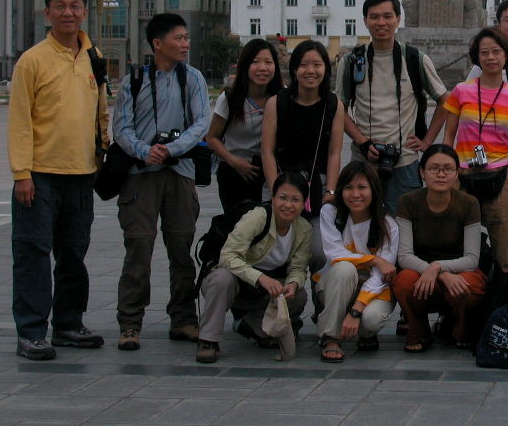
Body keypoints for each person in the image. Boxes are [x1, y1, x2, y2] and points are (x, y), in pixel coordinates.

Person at [7, 0, 108, 360]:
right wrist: (21, 173)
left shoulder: (93, 56)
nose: (68, 13)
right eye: (60, 6)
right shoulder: (32, 61)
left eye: (75, 6)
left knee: (73, 254)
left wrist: (101, 155)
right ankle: (32, 331)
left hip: (81, 174)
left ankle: (68, 323)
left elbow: (100, 110)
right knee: (33, 253)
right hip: (39, 176)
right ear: (47, 12)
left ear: (85, 11)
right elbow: (20, 121)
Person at [112, 13, 212, 351]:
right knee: (138, 250)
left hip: (180, 172)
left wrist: (171, 149)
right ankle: (130, 324)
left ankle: (183, 319)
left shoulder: (193, 78)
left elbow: (202, 123)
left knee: (181, 251)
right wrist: (145, 151)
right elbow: (121, 128)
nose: (185, 44)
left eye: (186, 38)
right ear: (158, 43)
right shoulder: (134, 80)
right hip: (140, 177)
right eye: (178, 38)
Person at [337, 0, 448, 213]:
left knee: (404, 224)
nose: (381, 22)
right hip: (363, 161)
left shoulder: (415, 59)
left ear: (398, 19)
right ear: (365, 21)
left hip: (404, 162)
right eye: (374, 17)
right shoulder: (352, 61)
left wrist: (427, 141)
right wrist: (362, 142)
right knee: (361, 224)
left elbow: (445, 100)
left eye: (387, 16)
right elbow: (339, 108)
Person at [195, 171, 313, 363]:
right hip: (235, 281)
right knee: (221, 278)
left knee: (298, 295)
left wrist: (293, 283)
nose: (288, 205)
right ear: (273, 198)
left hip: (263, 290)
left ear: (304, 203)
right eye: (282, 198)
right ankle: (208, 339)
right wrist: (259, 277)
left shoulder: (304, 228)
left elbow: (298, 269)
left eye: (295, 200)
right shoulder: (258, 216)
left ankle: (250, 325)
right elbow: (228, 255)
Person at [444, 28, 508, 285]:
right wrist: (449, 173)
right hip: (462, 177)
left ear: (506, 55)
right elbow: (448, 136)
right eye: (484, 53)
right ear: (477, 57)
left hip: (500, 179)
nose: (491, 57)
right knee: (455, 245)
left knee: (505, 253)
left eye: (496, 51)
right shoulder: (461, 91)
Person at [393, 144, 486, 352]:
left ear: (456, 173)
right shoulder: (407, 202)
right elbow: (404, 256)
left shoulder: (469, 203)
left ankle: (460, 327)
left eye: (448, 169)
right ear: (422, 172)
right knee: (404, 281)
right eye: (434, 168)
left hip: (458, 272)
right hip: (421, 275)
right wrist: (437, 273)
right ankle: (419, 328)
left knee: (470, 285)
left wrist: (438, 268)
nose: (441, 174)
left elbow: (472, 259)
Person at [262, 40, 344, 270]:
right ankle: (282, 291)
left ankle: (320, 292)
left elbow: (335, 152)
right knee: (276, 254)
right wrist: (275, 190)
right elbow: (267, 150)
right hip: (281, 182)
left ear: (326, 68)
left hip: (317, 185)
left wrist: (331, 190)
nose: (311, 71)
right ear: (294, 69)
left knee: (319, 254)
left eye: (317, 65)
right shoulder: (276, 103)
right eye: (304, 65)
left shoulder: (333, 105)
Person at [314, 161, 399, 362]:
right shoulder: (331, 213)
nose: (355, 194)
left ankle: (365, 332)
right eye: (349, 188)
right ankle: (330, 337)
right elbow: (334, 254)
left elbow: (382, 275)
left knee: (371, 319)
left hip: (372, 290)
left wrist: (356, 310)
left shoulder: (387, 224)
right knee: (344, 268)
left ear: (374, 190)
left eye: (362, 187)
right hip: (336, 283)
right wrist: (374, 259)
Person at [206, 38, 283, 213]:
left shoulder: (281, 97)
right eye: (255, 62)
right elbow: (212, 138)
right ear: (245, 66)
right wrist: (234, 161)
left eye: (268, 62)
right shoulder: (230, 99)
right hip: (235, 173)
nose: (262, 68)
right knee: (237, 224)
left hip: (269, 172)